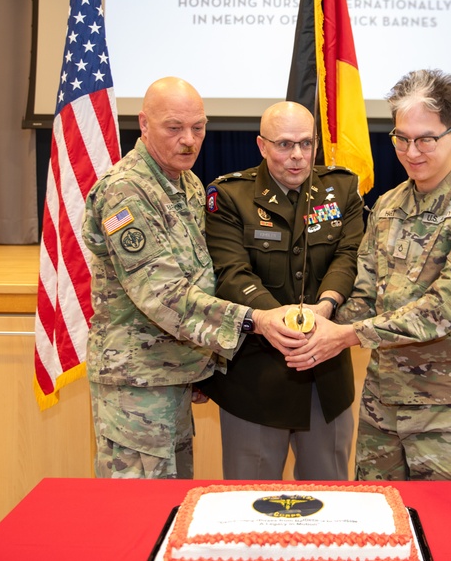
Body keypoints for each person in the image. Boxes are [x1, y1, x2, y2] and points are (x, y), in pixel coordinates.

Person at [285, 69, 451, 481]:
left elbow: (444, 309)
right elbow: (364, 294)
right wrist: (315, 321)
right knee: (382, 536)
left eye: (426, 139)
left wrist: (346, 337)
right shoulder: (390, 205)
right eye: (401, 138)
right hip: (383, 412)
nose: (412, 152)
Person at [81, 77, 304, 479]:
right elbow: (163, 294)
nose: (189, 140)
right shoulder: (126, 192)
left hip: (175, 377)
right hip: (138, 387)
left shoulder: (187, 183)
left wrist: (203, 363)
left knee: (171, 505)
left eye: (198, 128)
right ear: (144, 124)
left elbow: (199, 275)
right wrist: (255, 320)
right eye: (174, 128)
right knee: (138, 517)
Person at [198, 100, 365, 480]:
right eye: (284, 144)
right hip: (255, 380)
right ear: (261, 146)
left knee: (331, 506)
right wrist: (277, 320)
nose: (297, 156)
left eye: (306, 144)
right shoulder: (229, 197)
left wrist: (326, 306)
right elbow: (231, 273)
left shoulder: (342, 190)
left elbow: (349, 256)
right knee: (250, 508)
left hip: (325, 377)